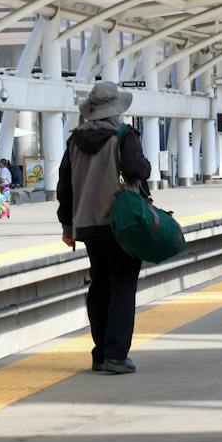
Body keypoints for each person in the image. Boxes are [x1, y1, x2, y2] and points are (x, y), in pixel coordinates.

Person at [57, 81, 151, 375]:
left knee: (99, 286)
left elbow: (64, 188)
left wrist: (67, 225)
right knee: (122, 285)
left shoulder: (74, 141)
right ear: (116, 110)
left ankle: (99, 354)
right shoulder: (123, 136)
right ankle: (116, 355)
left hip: (88, 225)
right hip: (121, 223)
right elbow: (139, 170)